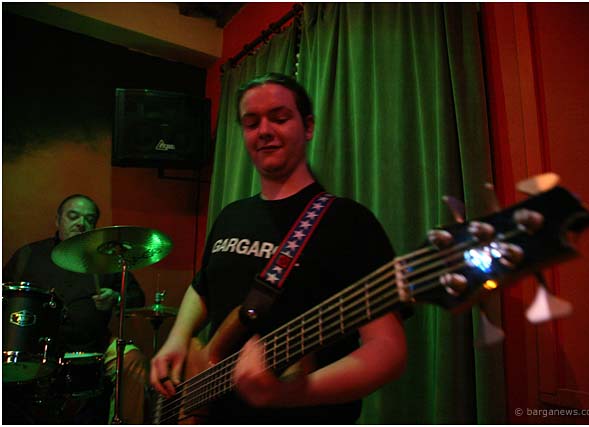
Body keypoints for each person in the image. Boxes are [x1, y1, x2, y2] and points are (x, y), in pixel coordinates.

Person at [150, 73, 407, 424]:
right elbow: (204, 286)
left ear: (308, 127)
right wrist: (178, 338)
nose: (264, 131)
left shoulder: (349, 221)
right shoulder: (231, 215)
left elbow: (388, 349)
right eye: (251, 123)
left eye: (280, 118)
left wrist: (285, 394)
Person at [3, 194, 147, 424]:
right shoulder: (30, 255)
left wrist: (116, 298)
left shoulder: (106, 260)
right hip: (34, 348)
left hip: (93, 346)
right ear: (58, 220)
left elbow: (137, 298)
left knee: (133, 360)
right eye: (73, 216)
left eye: (89, 219)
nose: (81, 223)